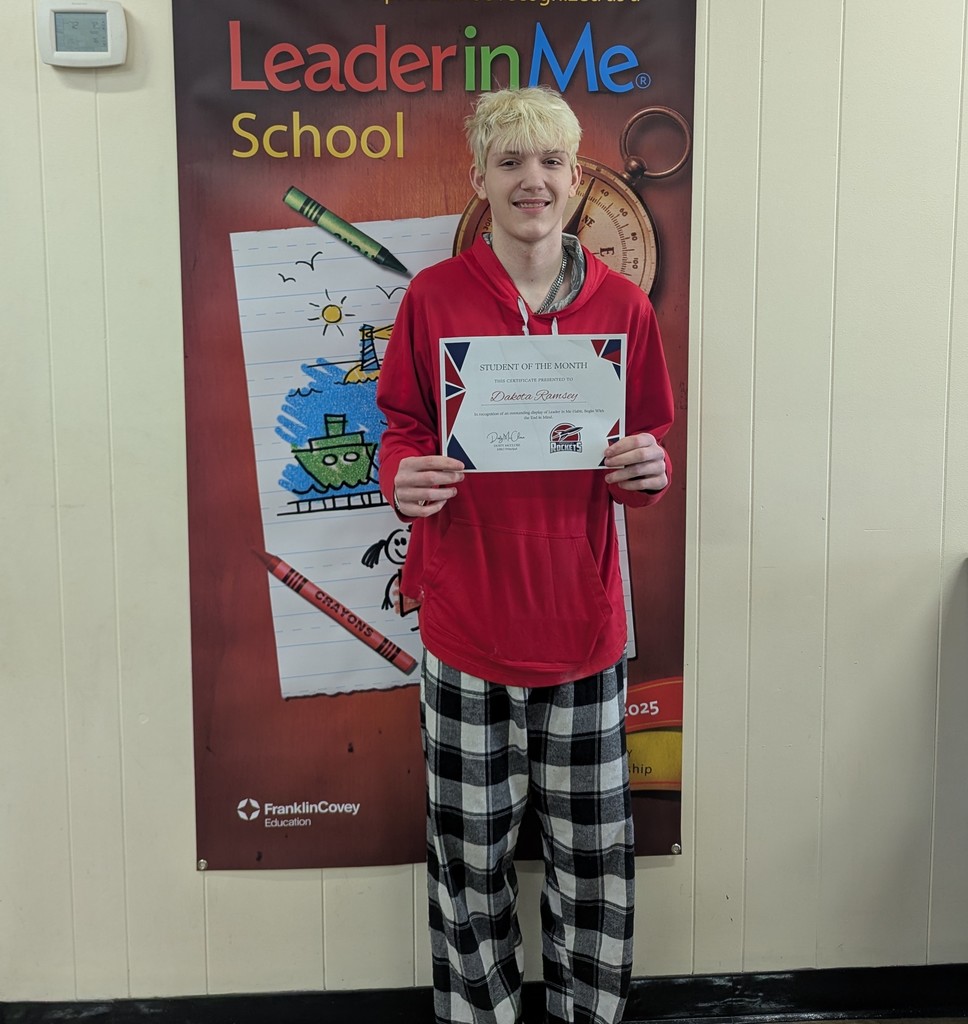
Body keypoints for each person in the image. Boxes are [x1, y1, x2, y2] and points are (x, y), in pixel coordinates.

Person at [376, 87, 674, 1024]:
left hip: (585, 627)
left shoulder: (623, 306)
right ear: (481, 180)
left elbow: (649, 448)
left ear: (576, 177)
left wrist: (647, 469)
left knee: (592, 866)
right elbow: (401, 427)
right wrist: (401, 479)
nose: (530, 180)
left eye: (547, 163)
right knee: (470, 862)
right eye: (509, 164)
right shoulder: (433, 298)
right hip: (465, 627)